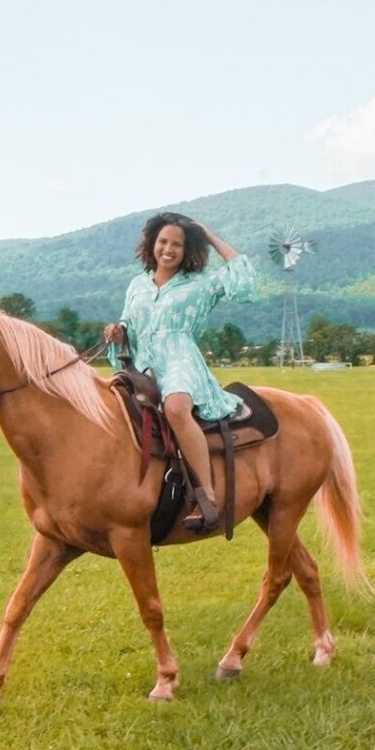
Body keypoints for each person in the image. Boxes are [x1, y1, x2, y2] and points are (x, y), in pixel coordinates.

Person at [104, 212, 256, 532]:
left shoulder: (201, 284)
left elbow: (243, 280)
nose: (168, 249)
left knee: (175, 407)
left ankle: (208, 497)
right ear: (152, 244)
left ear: (188, 250)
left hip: (179, 360)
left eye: (177, 244)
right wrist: (119, 332)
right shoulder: (137, 285)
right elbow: (130, 324)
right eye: (163, 242)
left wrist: (210, 235)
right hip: (143, 363)